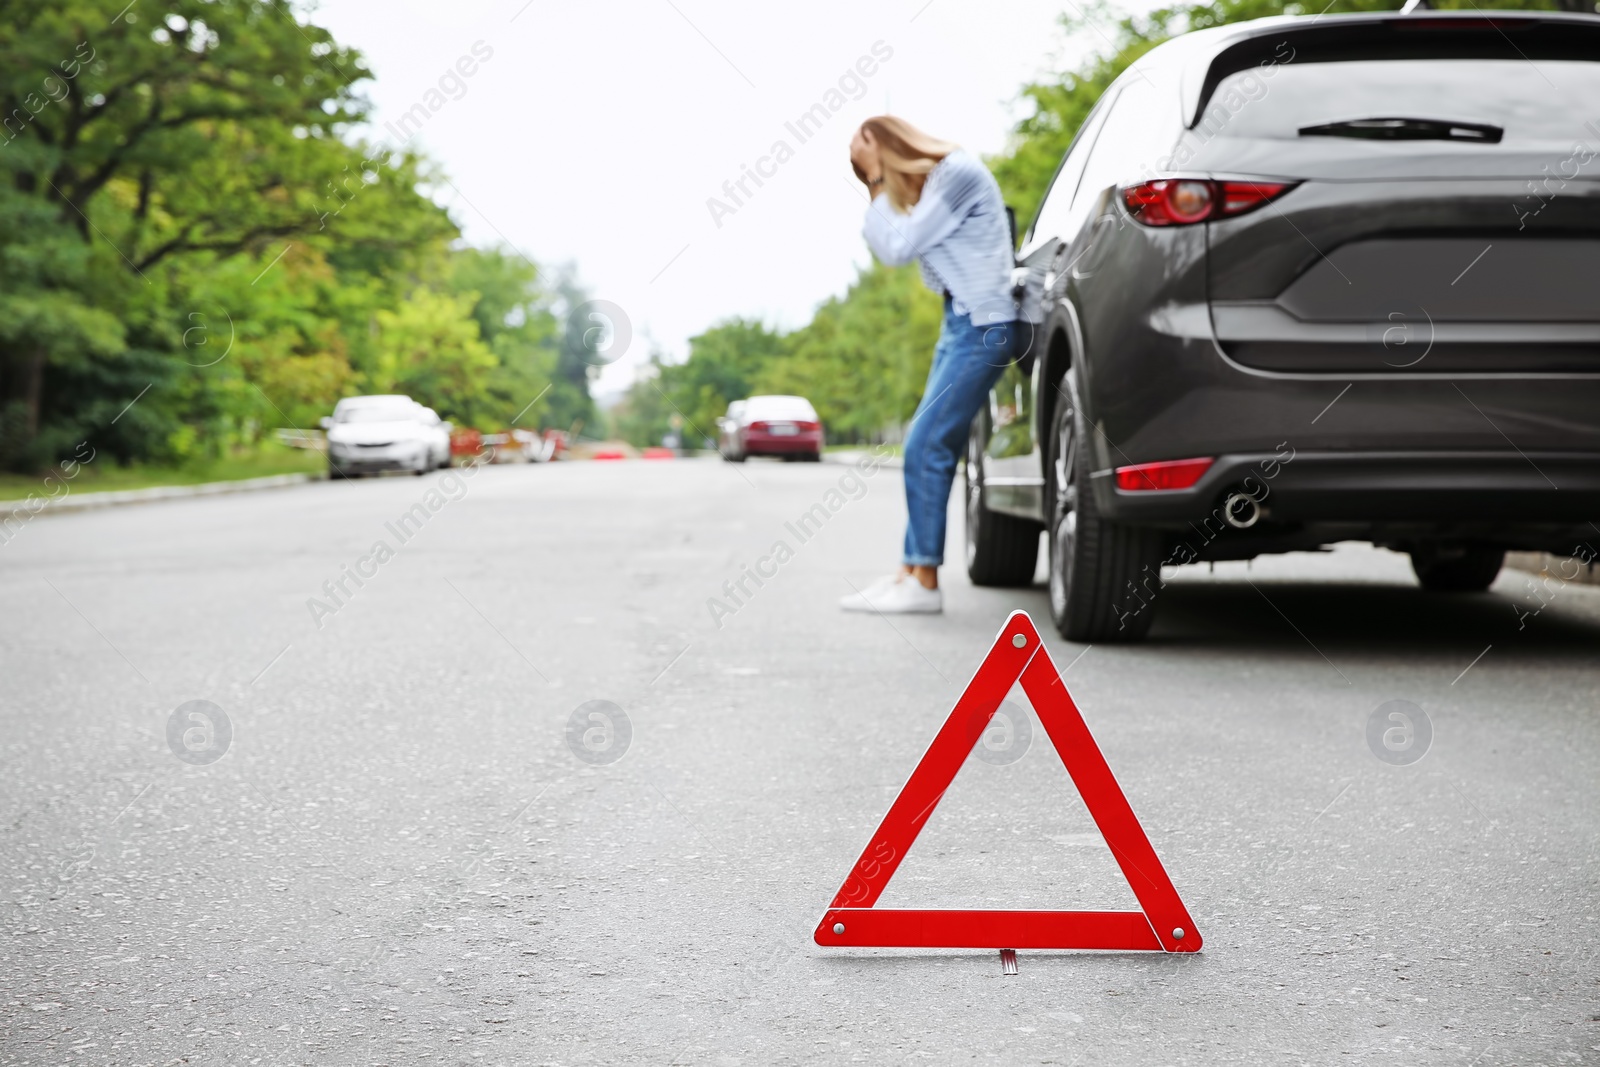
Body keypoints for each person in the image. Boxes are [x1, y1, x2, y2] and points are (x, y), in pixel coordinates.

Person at [839, 116, 1023, 615]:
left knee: (927, 444)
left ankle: (924, 583)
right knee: (925, 442)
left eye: (864, 156)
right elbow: (894, 240)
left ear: (885, 143)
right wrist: (881, 183)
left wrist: (876, 179)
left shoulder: (957, 172)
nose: (864, 169)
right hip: (961, 321)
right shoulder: (939, 185)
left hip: (982, 324)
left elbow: (897, 247)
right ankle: (910, 573)